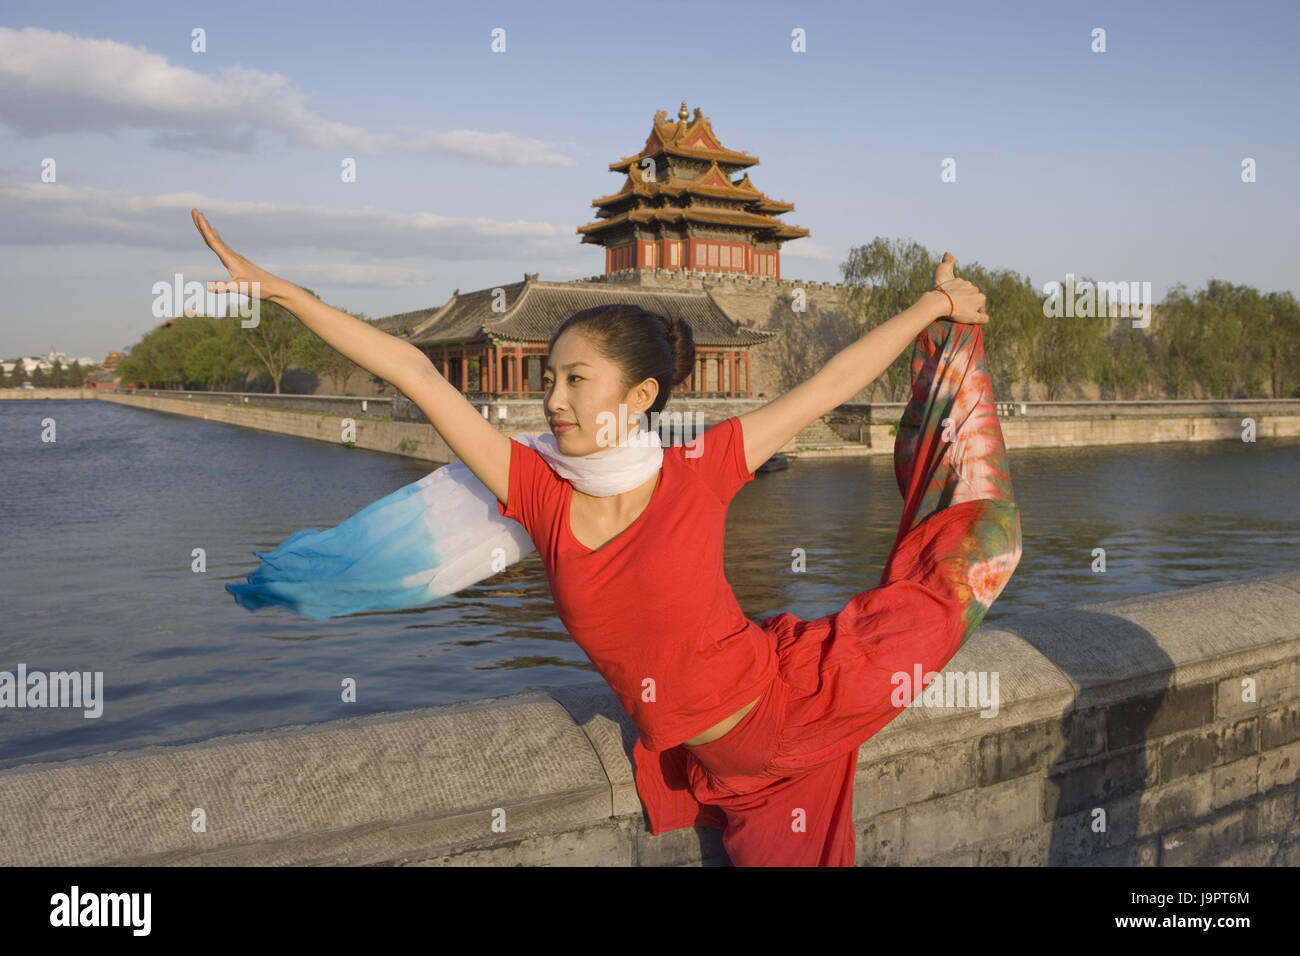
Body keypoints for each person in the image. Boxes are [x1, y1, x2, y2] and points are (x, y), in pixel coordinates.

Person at [193, 208, 1022, 866]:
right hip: (735, 776)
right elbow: (413, 370)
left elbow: (830, 382)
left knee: (956, 575)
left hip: (795, 700)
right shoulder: (538, 495)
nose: (552, 397)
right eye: (547, 377)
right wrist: (285, 294)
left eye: (575, 379)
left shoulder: (702, 469)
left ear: (640, 396)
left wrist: (935, 306)